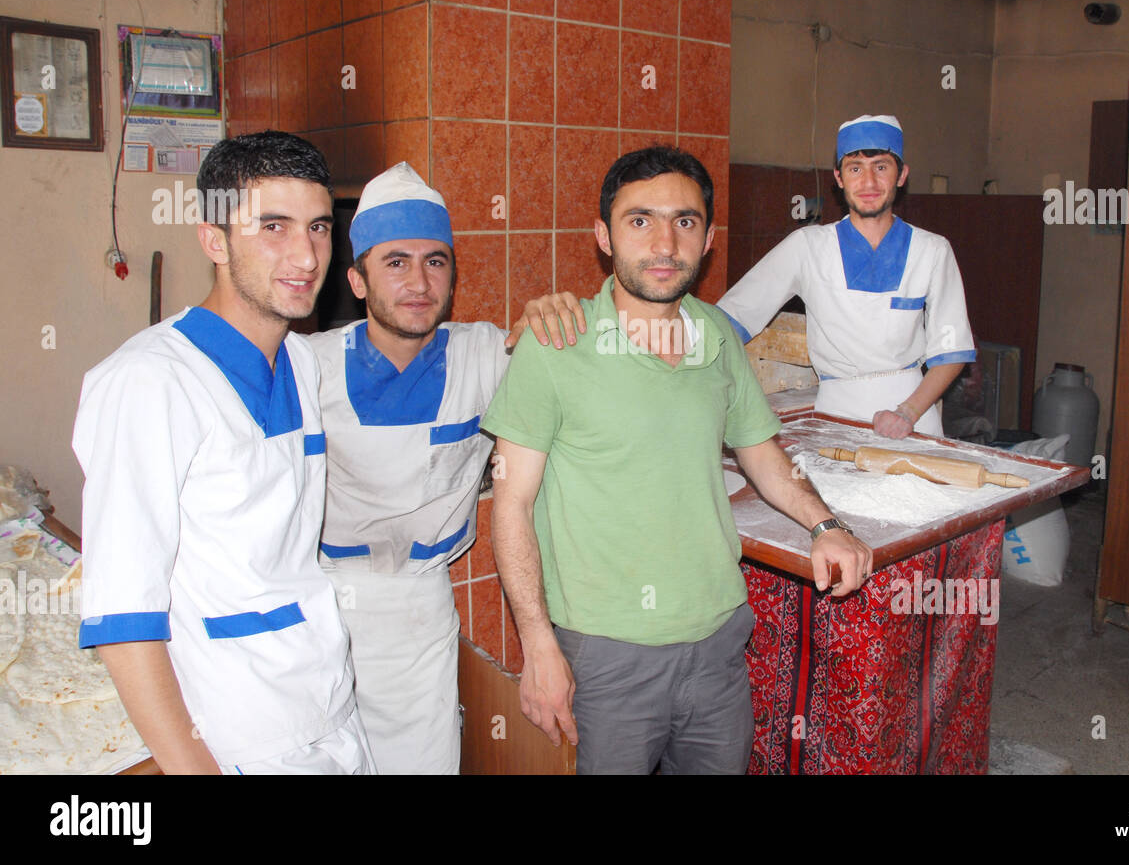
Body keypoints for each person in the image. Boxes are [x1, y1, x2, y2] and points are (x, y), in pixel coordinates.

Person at [482, 145, 873, 774]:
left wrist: (826, 526)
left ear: (708, 238)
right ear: (603, 237)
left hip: (718, 640)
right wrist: (538, 646)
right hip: (608, 654)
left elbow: (763, 454)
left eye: (684, 221)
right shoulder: (557, 344)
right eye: (640, 220)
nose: (664, 242)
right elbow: (513, 504)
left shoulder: (717, 335)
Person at [72, 131, 372, 774]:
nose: (306, 254)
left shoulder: (297, 359)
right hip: (240, 739)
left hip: (330, 707)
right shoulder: (149, 383)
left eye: (319, 227)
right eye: (273, 226)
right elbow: (124, 620)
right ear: (213, 239)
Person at [308, 162, 581, 774]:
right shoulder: (308, 368)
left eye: (435, 261)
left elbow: (578, 389)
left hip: (420, 611)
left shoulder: (483, 354)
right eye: (395, 262)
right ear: (357, 280)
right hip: (324, 604)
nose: (419, 281)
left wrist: (565, 319)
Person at [717, 115, 976, 437]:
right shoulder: (807, 246)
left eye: (881, 167)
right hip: (835, 412)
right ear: (839, 178)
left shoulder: (933, 250)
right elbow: (733, 317)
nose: (868, 183)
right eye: (855, 168)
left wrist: (907, 413)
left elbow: (951, 351)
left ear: (902, 175)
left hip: (912, 413)